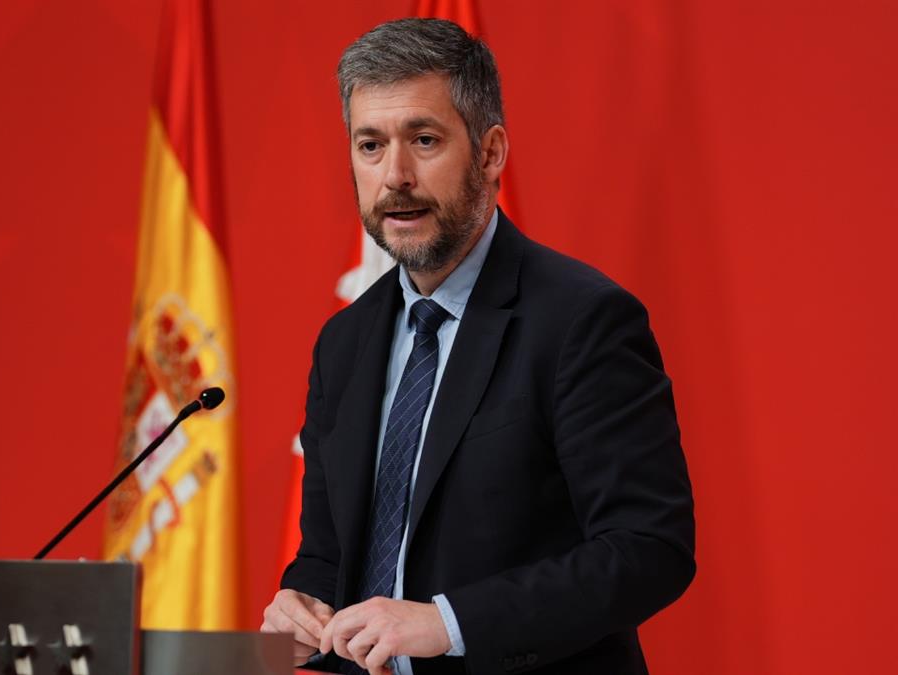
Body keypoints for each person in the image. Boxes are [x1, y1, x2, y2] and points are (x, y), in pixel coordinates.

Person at [261, 18, 696, 675]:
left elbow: (648, 548)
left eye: (424, 140)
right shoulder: (344, 342)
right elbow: (329, 553)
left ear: (490, 154)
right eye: (371, 145)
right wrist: (301, 605)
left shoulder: (581, 320)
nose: (395, 175)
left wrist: (449, 623)